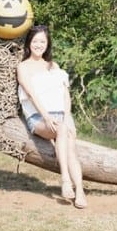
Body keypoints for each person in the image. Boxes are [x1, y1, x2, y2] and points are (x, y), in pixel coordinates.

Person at [16, 25, 87, 209]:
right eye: (35, 41)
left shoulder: (53, 66)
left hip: (61, 116)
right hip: (38, 117)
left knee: (70, 145)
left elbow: (65, 95)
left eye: (43, 41)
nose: (39, 45)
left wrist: (68, 118)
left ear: (47, 44)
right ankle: (65, 180)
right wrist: (47, 118)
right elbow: (31, 94)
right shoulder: (23, 67)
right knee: (62, 130)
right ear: (29, 43)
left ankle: (79, 190)